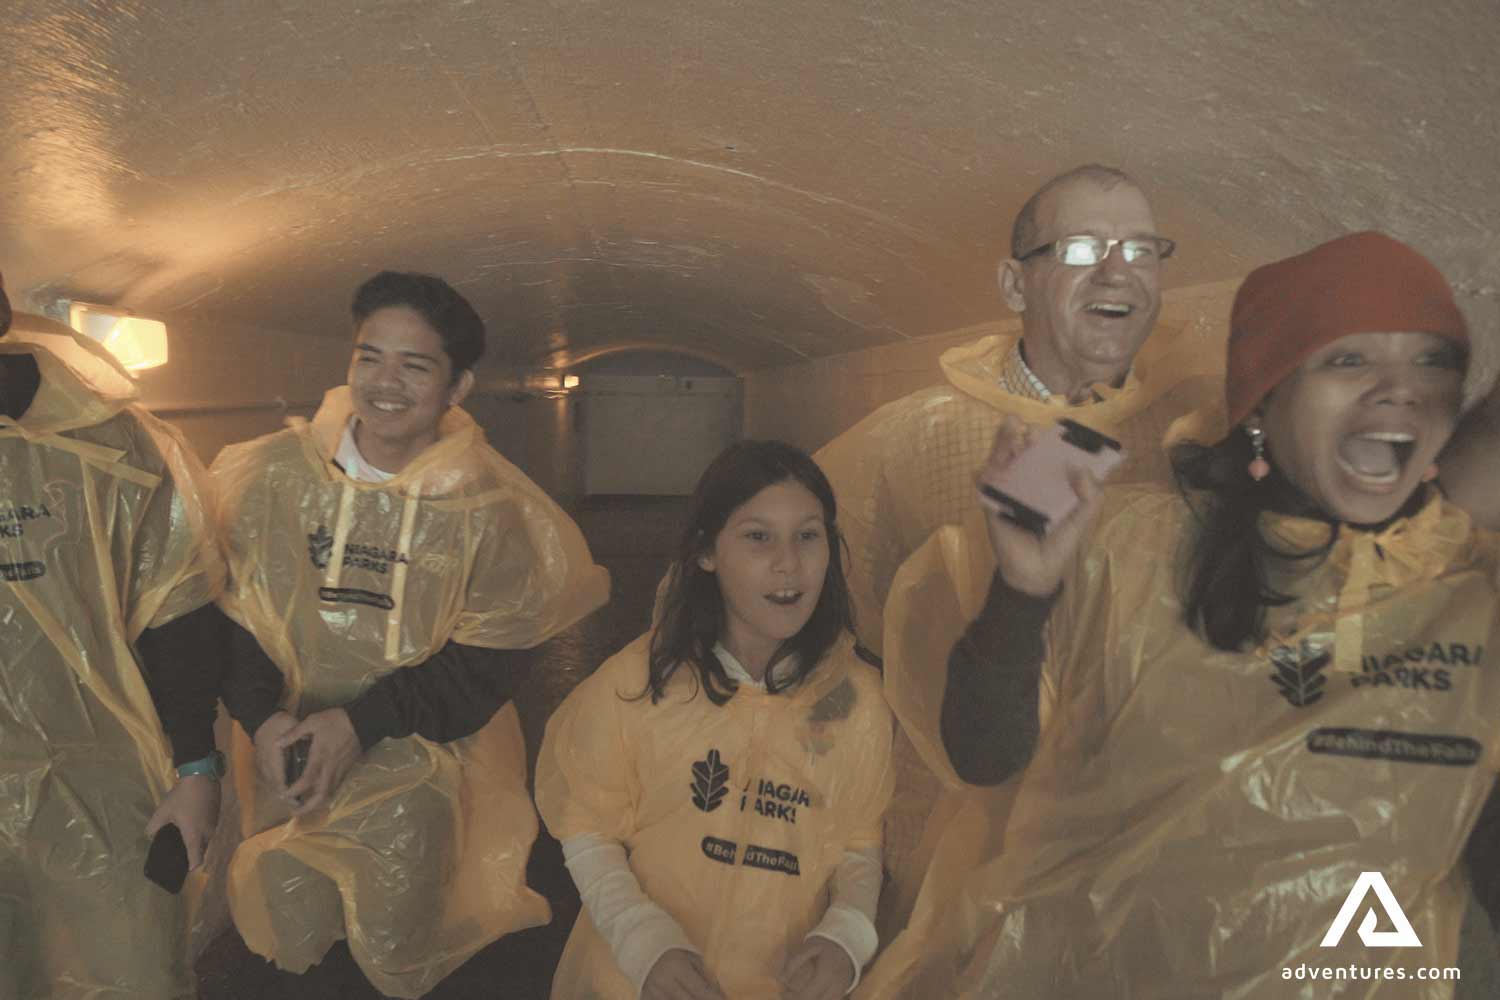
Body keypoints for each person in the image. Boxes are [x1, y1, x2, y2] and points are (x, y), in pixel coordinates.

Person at [873, 231, 1500, 996]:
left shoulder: (1464, 587)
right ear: (1263, 400)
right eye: (1348, 359)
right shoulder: (1126, 544)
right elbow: (983, 758)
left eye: (1433, 360)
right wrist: (1022, 592)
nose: (1402, 390)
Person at [814, 163, 1222, 926]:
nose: (1118, 271)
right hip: (955, 842)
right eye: (1081, 249)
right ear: (1013, 284)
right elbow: (804, 614)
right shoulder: (913, 439)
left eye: (1142, 249)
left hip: (1142, 848)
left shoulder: (1202, 432)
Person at [211, 270, 610, 997]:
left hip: (420, 778)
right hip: (284, 761)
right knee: (292, 944)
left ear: (458, 387)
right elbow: (235, 615)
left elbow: (487, 665)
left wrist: (362, 722)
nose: (384, 383)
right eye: (370, 357)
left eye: (415, 365)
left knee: (393, 948)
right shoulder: (274, 477)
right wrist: (262, 717)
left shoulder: (485, 508)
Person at [536, 440, 894, 999]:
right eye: (758, 537)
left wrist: (847, 935)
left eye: (808, 535)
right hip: (639, 982)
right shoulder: (636, 685)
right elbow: (587, 828)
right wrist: (642, 939)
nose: (788, 563)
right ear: (706, 552)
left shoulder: (856, 702)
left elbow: (858, 841)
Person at [1, 273, 227, 998]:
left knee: (127, 971)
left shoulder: (113, 441)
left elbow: (177, 616)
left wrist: (197, 769)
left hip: (108, 787)